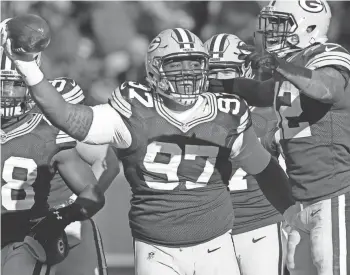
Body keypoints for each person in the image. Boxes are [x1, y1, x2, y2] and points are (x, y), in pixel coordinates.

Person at [4, 26, 295, 275]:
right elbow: (68, 116)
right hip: (156, 248)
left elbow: (265, 169)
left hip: (215, 243)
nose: (187, 74)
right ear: (155, 69)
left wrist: (292, 212)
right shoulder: (133, 112)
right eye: (176, 65)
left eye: (194, 64)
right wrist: (27, 66)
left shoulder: (226, 113)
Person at [216, 1, 350, 274]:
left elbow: (329, 89)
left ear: (309, 25)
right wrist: (212, 83)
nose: (271, 32)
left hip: (335, 196)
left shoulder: (325, 54)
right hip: (301, 201)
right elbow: (259, 92)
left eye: (279, 24)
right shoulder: (291, 68)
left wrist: (281, 66)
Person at [1, 27, 119, 275]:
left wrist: (68, 211)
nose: (5, 95)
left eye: (12, 87)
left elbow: (106, 161)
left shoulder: (50, 116)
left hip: (61, 231)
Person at [205, 33, 287, 275]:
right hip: (211, 230)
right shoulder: (192, 115)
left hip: (260, 227)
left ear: (246, 71)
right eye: (212, 71)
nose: (218, 78)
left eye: (226, 70)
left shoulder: (270, 115)